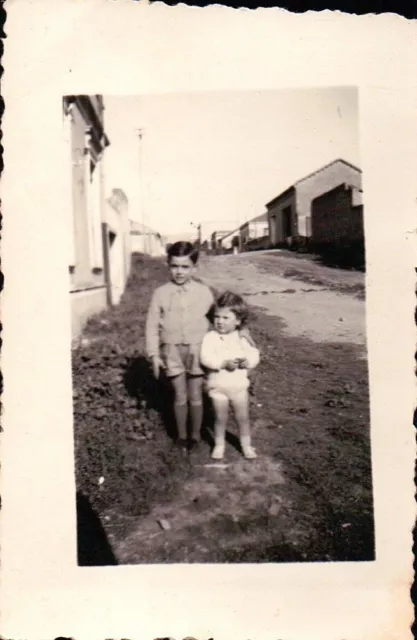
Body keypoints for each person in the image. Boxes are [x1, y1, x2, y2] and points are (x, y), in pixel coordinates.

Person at [145, 241, 214, 452]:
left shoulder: (204, 292)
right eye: (175, 266)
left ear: (194, 267)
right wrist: (154, 354)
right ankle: (181, 436)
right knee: (179, 395)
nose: (179, 272)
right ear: (168, 265)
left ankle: (195, 435)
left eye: (185, 267)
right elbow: (152, 325)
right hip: (172, 350)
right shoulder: (160, 293)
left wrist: (236, 335)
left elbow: (218, 319)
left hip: (197, 349)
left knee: (195, 395)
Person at [200, 291, 260, 460]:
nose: (220, 321)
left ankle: (246, 445)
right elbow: (205, 358)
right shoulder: (210, 338)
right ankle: (219, 445)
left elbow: (254, 354)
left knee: (243, 417)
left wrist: (247, 362)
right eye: (217, 317)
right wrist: (222, 363)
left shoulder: (241, 337)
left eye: (226, 318)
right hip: (217, 388)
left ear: (238, 320)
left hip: (239, 387)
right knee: (220, 418)